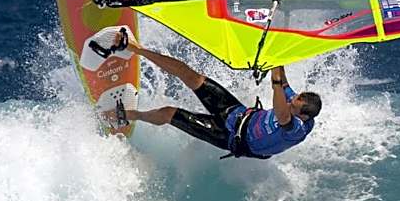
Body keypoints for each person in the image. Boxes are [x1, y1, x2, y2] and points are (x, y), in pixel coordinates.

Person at [108, 31, 321, 159]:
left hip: (230, 137)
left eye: (293, 105)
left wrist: (275, 83)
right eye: (292, 99)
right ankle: (135, 48)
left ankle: (127, 115)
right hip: (238, 113)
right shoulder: (297, 103)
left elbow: (281, 108)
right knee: (190, 75)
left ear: (303, 116)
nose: (289, 102)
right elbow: (282, 82)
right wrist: (276, 47)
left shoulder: (296, 129)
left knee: (168, 114)